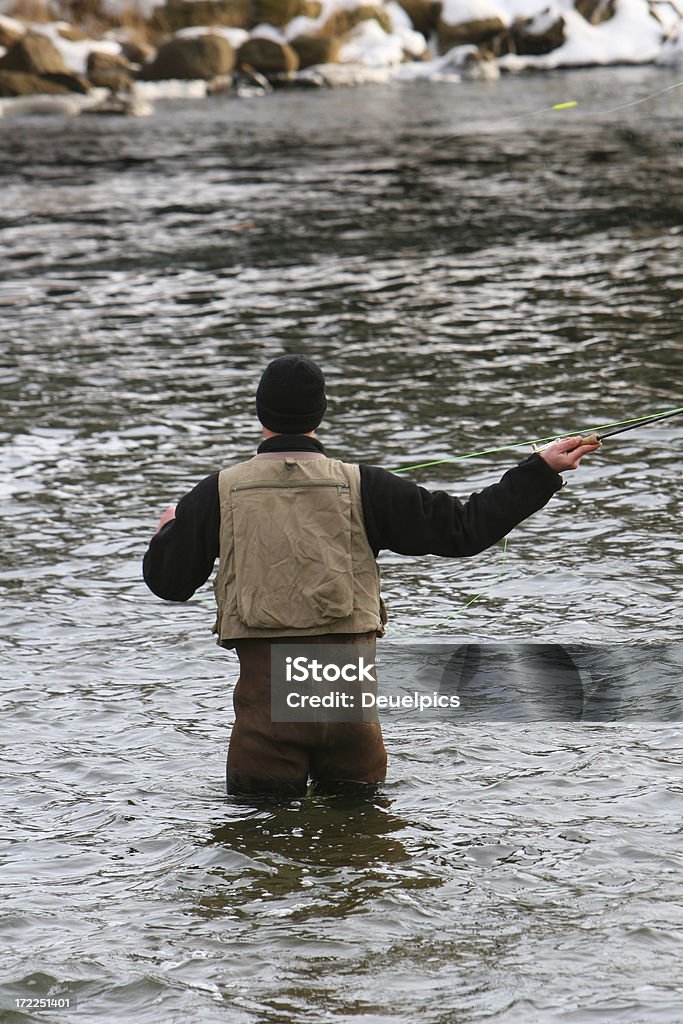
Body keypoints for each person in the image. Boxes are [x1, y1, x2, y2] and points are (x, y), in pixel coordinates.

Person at [143, 354, 600, 797]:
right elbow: (464, 530)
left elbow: (170, 584)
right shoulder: (366, 486)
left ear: (260, 412)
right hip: (351, 724)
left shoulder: (216, 493)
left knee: (261, 853)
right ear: (319, 414)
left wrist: (168, 532)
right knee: (363, 856)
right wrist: (540, 470)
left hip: (266, 728)